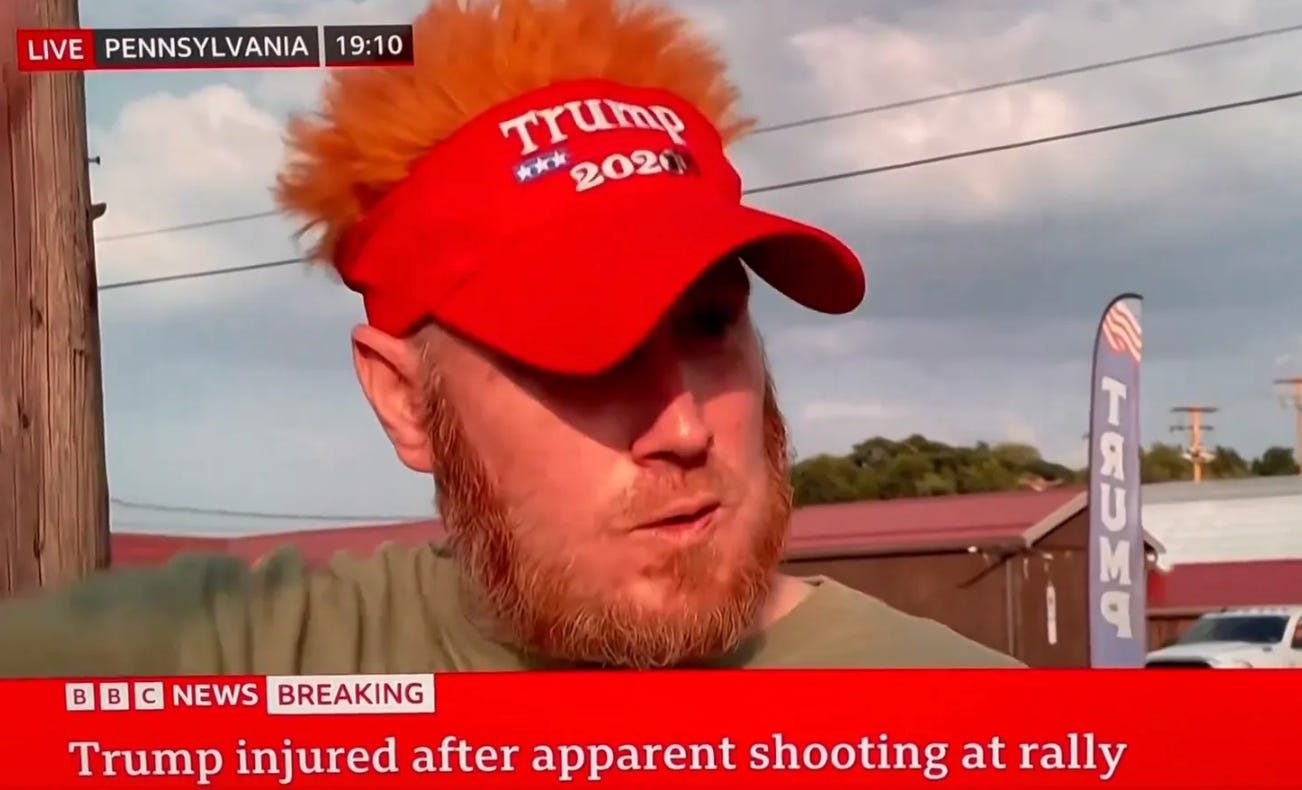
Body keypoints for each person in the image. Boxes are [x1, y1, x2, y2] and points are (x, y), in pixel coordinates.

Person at [0, 0, 1020, 675]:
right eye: (581, 344)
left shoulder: (970, 721)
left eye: (711, 323)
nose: (683, 427)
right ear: (405, 400)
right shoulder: (262, 659)